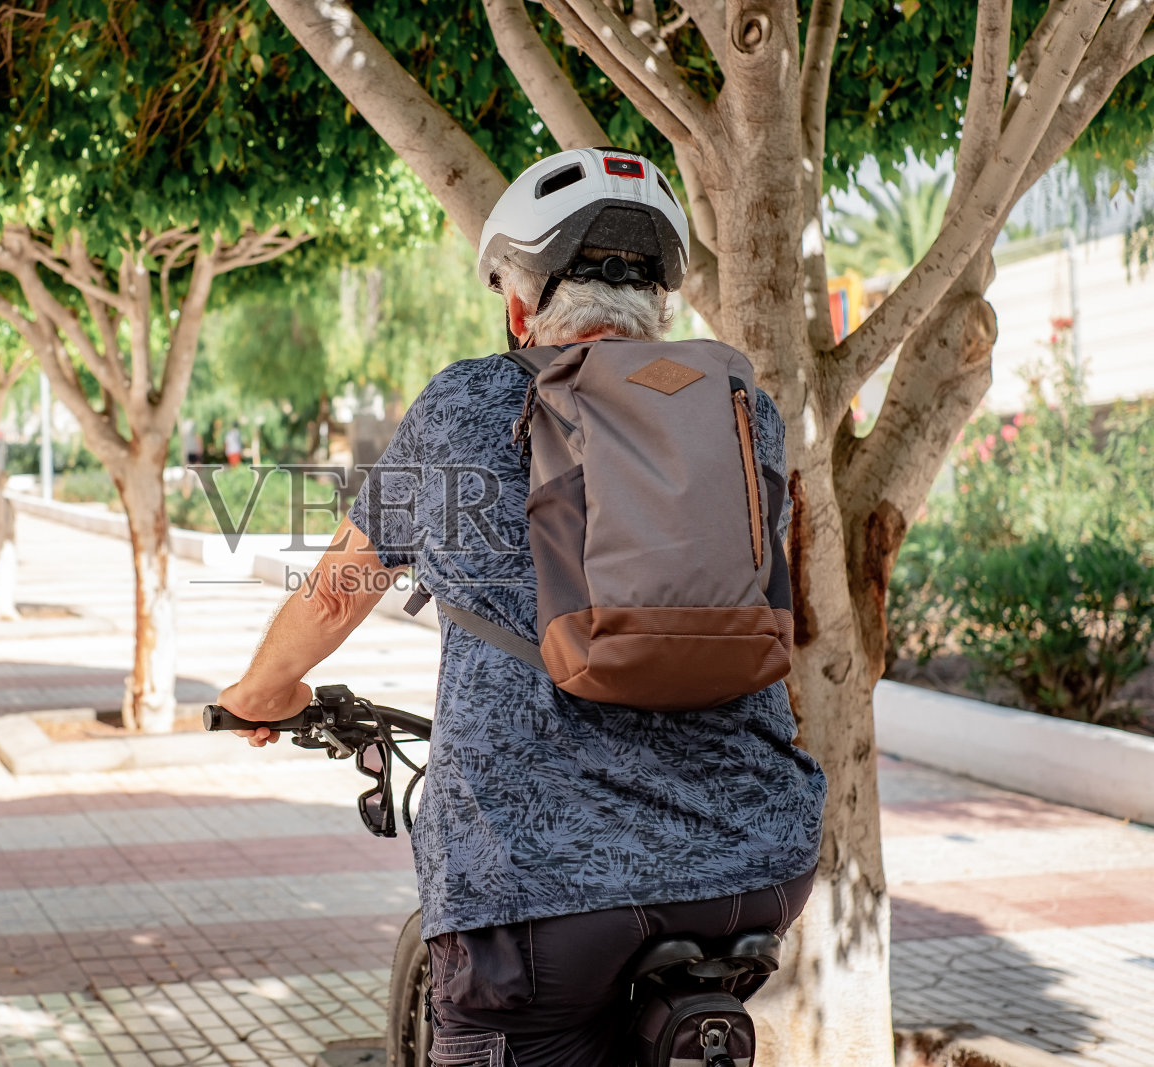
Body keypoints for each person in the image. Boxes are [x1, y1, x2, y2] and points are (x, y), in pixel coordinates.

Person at [218, 148, 826, 1067]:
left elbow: (342, 587)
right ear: (659, 307)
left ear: (519, 307)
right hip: (756, 865)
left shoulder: (467, 404)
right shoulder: (748, 415)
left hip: (533, 896)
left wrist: (263, 689)